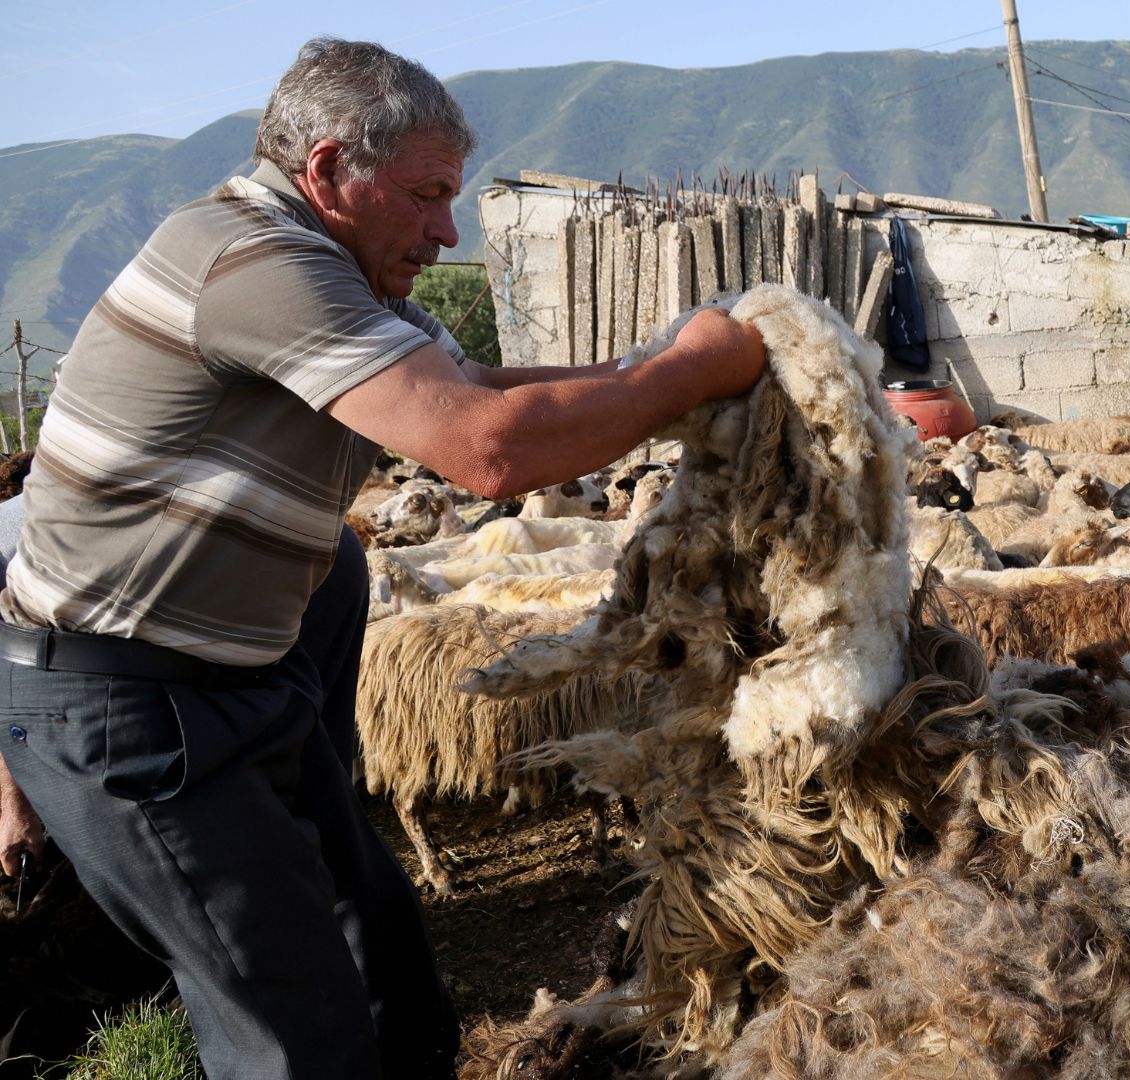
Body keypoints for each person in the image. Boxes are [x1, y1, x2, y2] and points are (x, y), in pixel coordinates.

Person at [0, 37, 766, 1080]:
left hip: (239, 683)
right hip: (133, 705)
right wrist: (691, 372)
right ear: (327, 171)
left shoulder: (343, 279)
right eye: (427, 194)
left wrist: (665, 375)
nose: (448, 229)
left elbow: (481, 386)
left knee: (389, 975)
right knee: (296, 1038)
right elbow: (488, 449)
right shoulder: (255, 262)